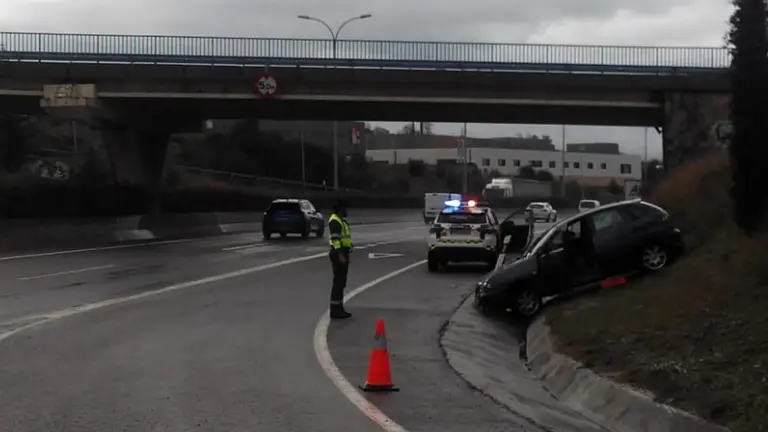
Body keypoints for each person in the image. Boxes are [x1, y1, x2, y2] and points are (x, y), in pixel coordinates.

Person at [328, 200, 352, 319]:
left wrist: (349, 246)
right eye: (345, 208)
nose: (347, 211)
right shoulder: (335, 221)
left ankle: (339, 307)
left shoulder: (341, 221)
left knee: (341, 282)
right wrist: (340, 254)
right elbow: (335, 239)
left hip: (343, 252)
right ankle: (335, 309)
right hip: (338, 253)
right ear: (340, 209)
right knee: (338, 282)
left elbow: (344, 238)